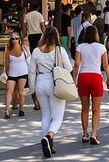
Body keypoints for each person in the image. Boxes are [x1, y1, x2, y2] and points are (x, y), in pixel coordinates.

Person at [28, 27, 71, 159]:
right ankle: (49, 137)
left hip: (40, 82)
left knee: (45, 116)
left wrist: (32, 89)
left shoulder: (36, 51)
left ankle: (47, 143)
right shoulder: (59, 50)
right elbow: (68, 67)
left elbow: (31, 71)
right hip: (54, 82)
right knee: (57, 117)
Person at [74, 26, 109, 145]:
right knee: (96, 109)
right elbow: (105, 66)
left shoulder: (80, 47)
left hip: (83, 77)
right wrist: (108, 79)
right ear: (96, 34)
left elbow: (77, 64)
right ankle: (94, 133)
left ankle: (85, 133)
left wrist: (74, 79)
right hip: (96, 77)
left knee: (84, 107)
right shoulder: (101, 47)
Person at [3, 34, 29, 119]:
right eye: (13, 39)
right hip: (12, 73)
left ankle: (21, 109)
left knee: (21, 91)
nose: (14, 40)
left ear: (19, 39)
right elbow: (7, 62)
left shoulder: (24, 48)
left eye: (16, 38)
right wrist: (6, 71)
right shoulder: (8, 49)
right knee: (9, 90)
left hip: (23, 72)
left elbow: (29, 59)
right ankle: (7, 110)